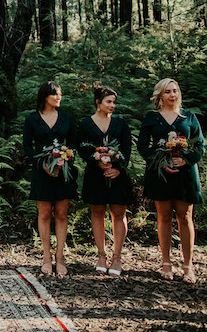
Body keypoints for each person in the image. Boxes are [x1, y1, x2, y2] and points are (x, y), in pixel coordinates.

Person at [137, 78, 205, 283]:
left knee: (185, 217)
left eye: (175, 90)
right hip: (161, 173)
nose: (172, 95)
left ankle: (187, 265)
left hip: (185, 174)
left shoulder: (189, 117)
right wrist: (159, 161)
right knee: (164, 216)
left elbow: (200, 145)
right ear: (160, 95)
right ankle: (166, 263)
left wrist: (185, 160)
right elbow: (142, 146)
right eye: (167, 92)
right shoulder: (152, 118)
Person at [22, 81, 78, 277]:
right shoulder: (32, 119)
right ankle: (46, 257)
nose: (58, 98)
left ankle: (60, 257)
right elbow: (27, 146)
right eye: (55, 95)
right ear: (45, 97)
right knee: (44, 213)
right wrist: (42, 165)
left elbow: (74, 145)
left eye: (60, 94)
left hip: (63, 172)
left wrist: (66, 160)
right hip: (41, 172)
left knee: (62, 213)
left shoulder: (67, 119)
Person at [78, 86, 134, 276]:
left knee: (119, 213)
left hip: (117, 175)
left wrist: (118, 168)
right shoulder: (86, 124)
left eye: (114, 102)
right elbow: (83, 149)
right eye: (108, 101)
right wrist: (97, 163)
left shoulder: (121, 124)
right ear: (98, 102)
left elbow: (127, 150)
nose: (112, 105)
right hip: (95, 175)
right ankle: (101, 255)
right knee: (97, 213)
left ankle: (116, 257)